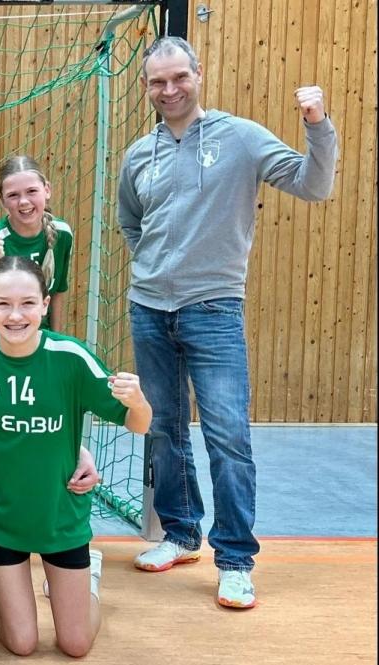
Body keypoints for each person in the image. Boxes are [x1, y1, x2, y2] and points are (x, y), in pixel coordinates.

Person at [118, 36, 337, 609]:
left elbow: (314, 185)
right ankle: (181, 534)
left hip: (214, 310)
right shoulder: (139, 154)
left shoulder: (240, 137)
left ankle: (236, 560)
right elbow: (130, 221)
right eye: (157, 82)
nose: (169, 90)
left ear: (198, 73)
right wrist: (154, 267)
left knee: (228, 438)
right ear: (146, 86)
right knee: (163, 429)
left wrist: (317, 125)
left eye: (178, 77)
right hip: (149, 310)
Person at [0, 256, 151, 657]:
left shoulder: (70, 357)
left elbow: (138, 424)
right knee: (21, 644)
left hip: (60, 516)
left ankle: (89, 577)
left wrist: (139, 402)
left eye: (27, 303)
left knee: (75, 644)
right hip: (2, 518)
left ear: (44, 305)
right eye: (3, 304)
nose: (15, 315)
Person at [0, 155, 74, 335]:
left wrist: (56, 339)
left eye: (32, 191)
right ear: (2, 200)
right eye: (13, 195)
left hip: (37, 338)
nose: (24, 201)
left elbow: (58, 291)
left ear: (47, 190)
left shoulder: (62, 234)